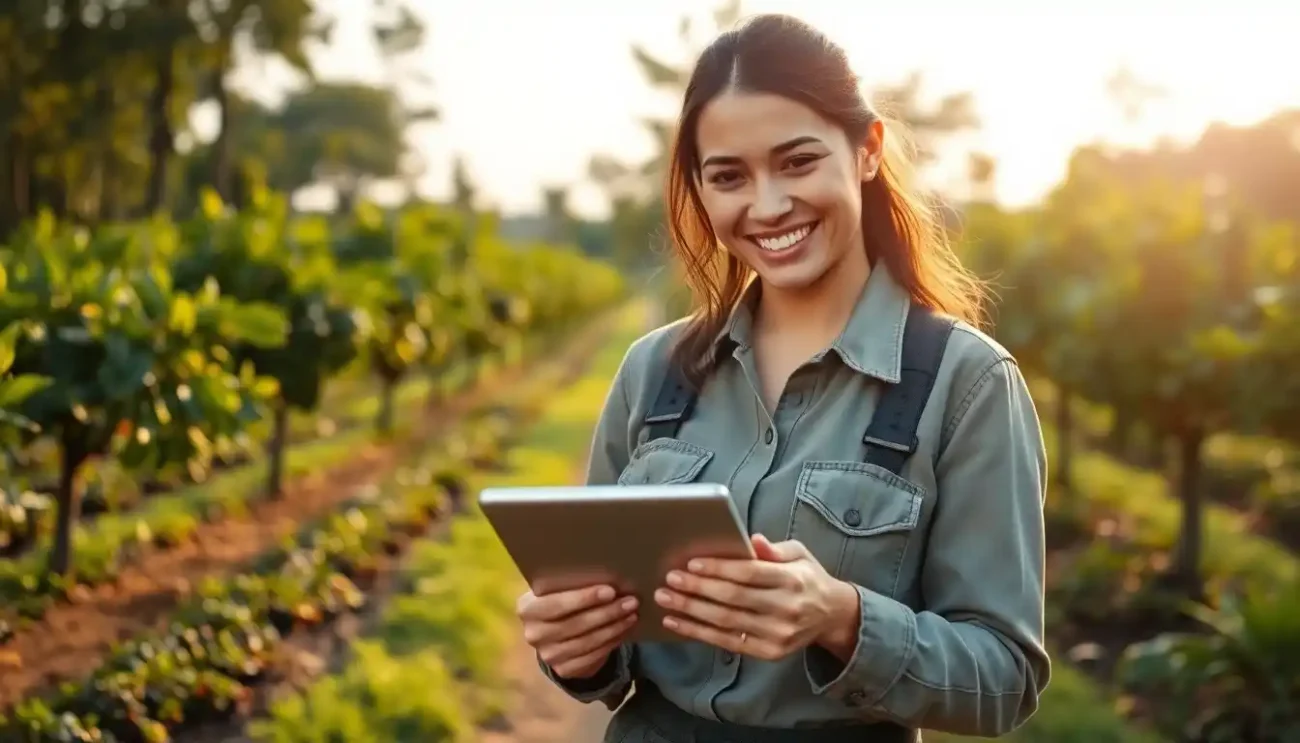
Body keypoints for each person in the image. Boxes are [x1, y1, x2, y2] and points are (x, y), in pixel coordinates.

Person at [514, 12, 1050, 743]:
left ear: (866, 151)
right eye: (729, 176)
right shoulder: (654, 371)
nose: (766, 206)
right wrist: (575, 649)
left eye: (797, 162)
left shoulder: (967, 383)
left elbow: (1004, 680)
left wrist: (841, 614)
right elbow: (608, 658)